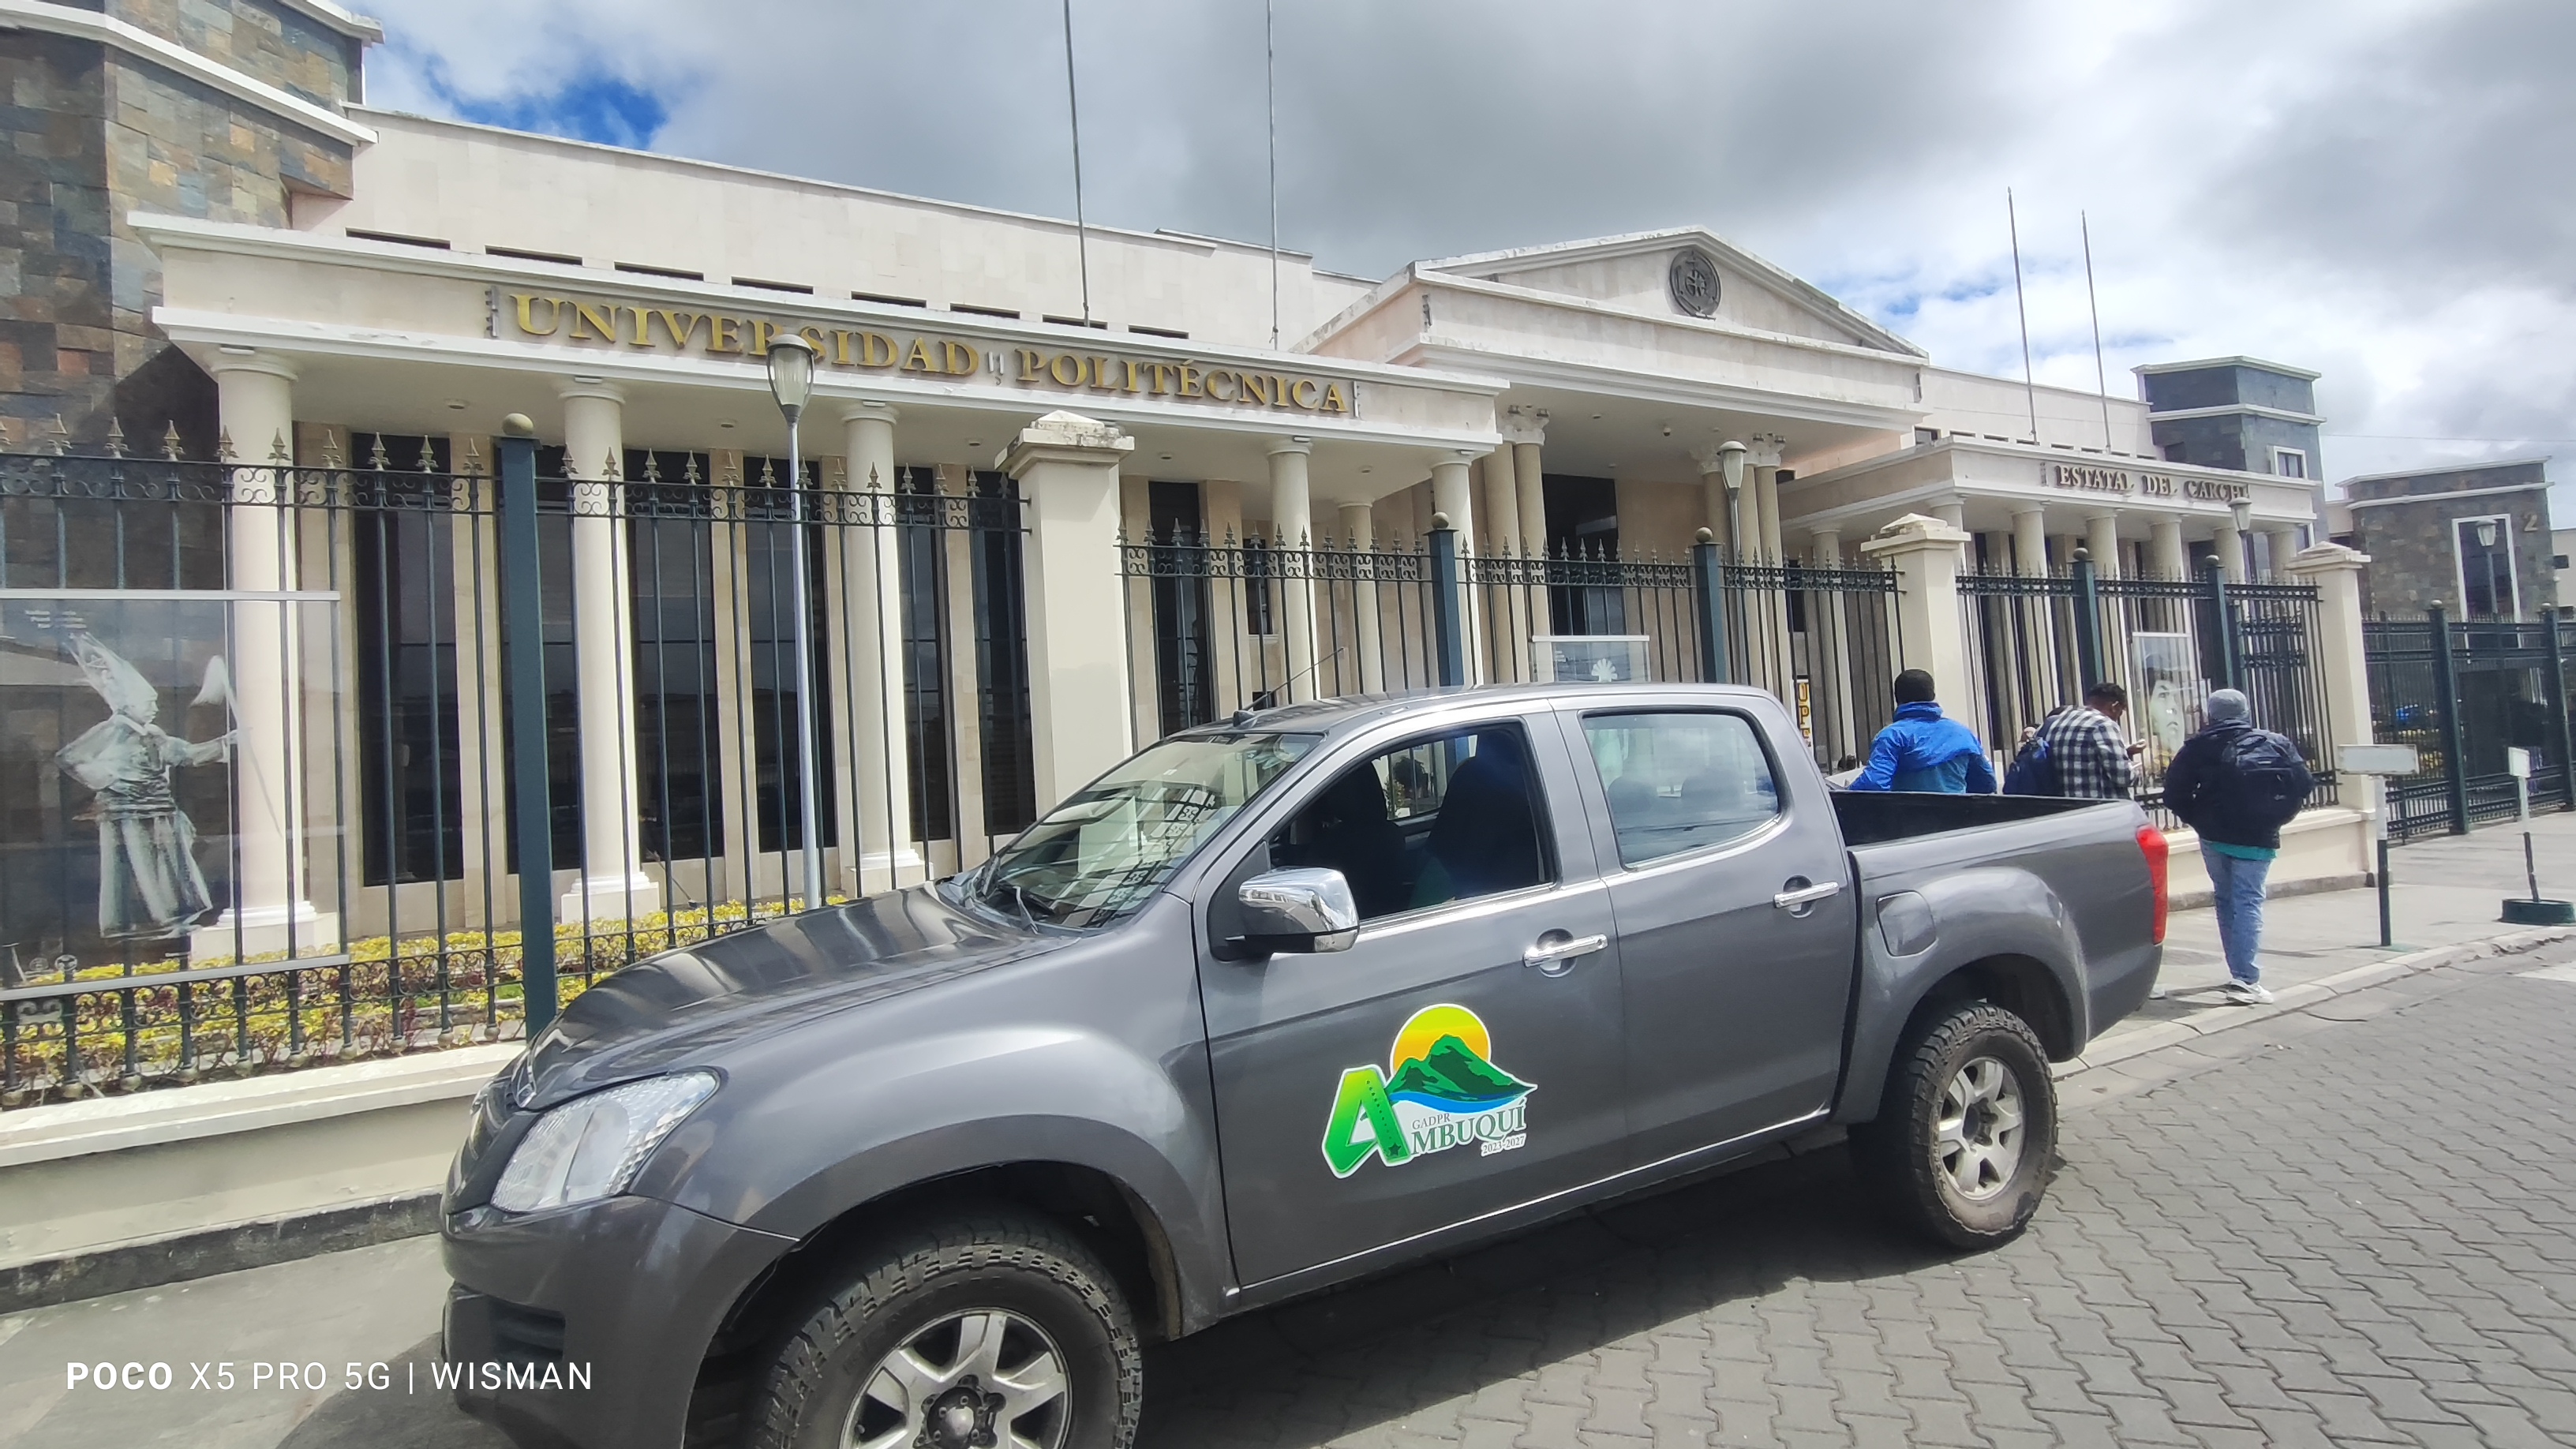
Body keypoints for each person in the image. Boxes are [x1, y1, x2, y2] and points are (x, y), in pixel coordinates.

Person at [2161, 688, 2316, 1005]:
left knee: (2226, 897)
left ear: (2211, 714)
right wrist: (2276, 814)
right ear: (2246, 712)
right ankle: (2245, 978)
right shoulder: (2275, 742)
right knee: (2248, 901)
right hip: (2259, 835)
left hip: (2214, 836)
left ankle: (2238, 971)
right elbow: (2305, 784)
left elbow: (2174, 794)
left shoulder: (2197, 747)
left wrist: (2200, 819)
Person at [1848, 669, 1996, 793]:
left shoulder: (1892, 736)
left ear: (1897, 698)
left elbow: (1874, 783)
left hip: (1908, 818)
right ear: (1932, 695)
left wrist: (1844, 793)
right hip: (1958, 816)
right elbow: (1987, 784)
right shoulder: (1963, 734)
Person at [2035, 681, 2144, 800]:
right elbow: (2122, 776)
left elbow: (2079, 755)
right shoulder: (2103, 725)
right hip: (2100, 806)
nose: (2119, 717)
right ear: (2115, 706)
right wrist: (2137, 770)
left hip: (2064, 805)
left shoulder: (2057, 722)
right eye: (2121, 711)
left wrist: (2127, 752)